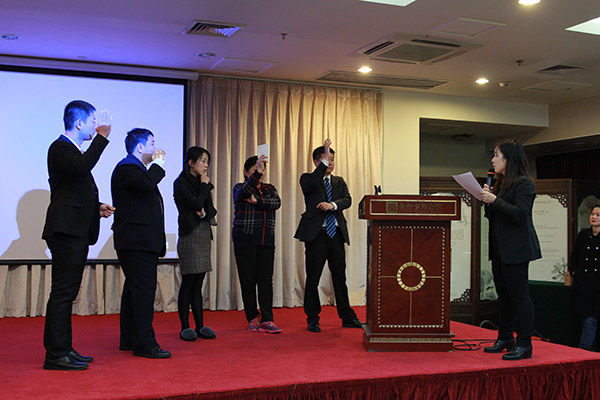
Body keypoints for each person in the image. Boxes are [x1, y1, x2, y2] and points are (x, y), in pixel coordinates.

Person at [42, 100, 114, 370]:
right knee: (62, 293)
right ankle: (55, 354)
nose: (96, 126)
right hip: (65, 231)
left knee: (68, 293)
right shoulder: (60, 147)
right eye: (93, 121)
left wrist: (96, 207)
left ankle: (65, 348)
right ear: (79, 123)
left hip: (76, 230)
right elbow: (82, 167)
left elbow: (73, 191)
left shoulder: (72, 151)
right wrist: (103, 138)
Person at [111, 128, 171, 358]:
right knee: (144, 292)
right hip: (136, 242)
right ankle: (145, 344)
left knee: (134, 291)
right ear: (140, 147)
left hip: (139, 241)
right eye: (152, 143)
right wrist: (159, 164)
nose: (155, 148)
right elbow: (146, 184)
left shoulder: (135, 170)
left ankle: (129, 339)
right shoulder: (127, 168)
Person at [481, 138, 541, 361]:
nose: (493, 160)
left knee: (520, 297)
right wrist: (489, 200)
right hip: (499, 248)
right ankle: (505, 338)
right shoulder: (502, 184)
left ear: (509, 159)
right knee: (504, 296)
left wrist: (494, 200)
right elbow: (494, 216)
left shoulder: (524, 183)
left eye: (497, 155)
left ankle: (524, 343)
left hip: (516, 249)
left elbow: (520, 214)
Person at [294, 139, 361, 333]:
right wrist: (322, 164)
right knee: (313, 277)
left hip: (336, 234)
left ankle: (347, 316)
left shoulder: (339, 181)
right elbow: (312, 183)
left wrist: (332, 205)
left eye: (332, 159)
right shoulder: (308, 178)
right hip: (317, 235)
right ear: (316, 162)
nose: (330, 163)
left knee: (340, 276)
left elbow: (347, 200)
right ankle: (313, 318)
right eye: (326, 159)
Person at [232, 155, 282, 333]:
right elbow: (243, 193)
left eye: (262, 169)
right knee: (247, 280)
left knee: (265, 280)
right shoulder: (239, 187)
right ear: (246, 172)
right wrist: (256, 175)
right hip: (244, 239)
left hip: (266, 240)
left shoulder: (270, 188)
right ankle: (252, 317)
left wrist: (257, 201)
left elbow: (276, 203)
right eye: (256, 169)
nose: (261, 173)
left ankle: (267, 319)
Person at [173, 146, 217, 341]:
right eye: (202, 161)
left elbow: (210, 210)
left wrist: (202, 211)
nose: (206, 165)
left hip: (203, 234)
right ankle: (185, 326)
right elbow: (196, 204)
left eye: (207, 161)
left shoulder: (202, 183)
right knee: (188, 282)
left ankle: (200, 325)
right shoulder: (181, 182)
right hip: (189, 235)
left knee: (199, 282)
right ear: (191, 163)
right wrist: (203, 191)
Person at [569, 205, 600, 351]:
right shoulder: (583, 235)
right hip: (583, 284)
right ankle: (591, 352)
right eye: (592, 214)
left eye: (598, 215)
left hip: (597, 286)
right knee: (584, 318)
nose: (594, 217)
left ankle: (583, 349)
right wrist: (574, 272)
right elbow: (574, 257)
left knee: (591, 318)